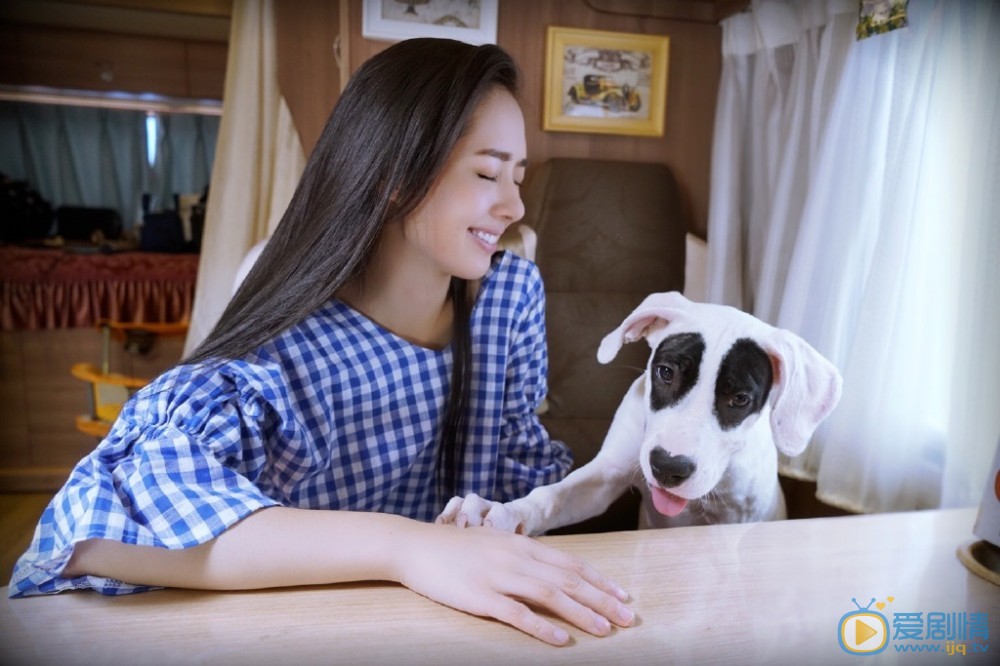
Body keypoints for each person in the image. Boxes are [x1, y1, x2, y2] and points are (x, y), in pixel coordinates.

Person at [8, 38, 634, 647]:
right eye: (488, 172)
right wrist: (408, 547)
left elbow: (519, 465)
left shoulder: (510, 293)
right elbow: (92, 531)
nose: (514, 205)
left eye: (519, 177)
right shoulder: (286, 350)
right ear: (393, 173)